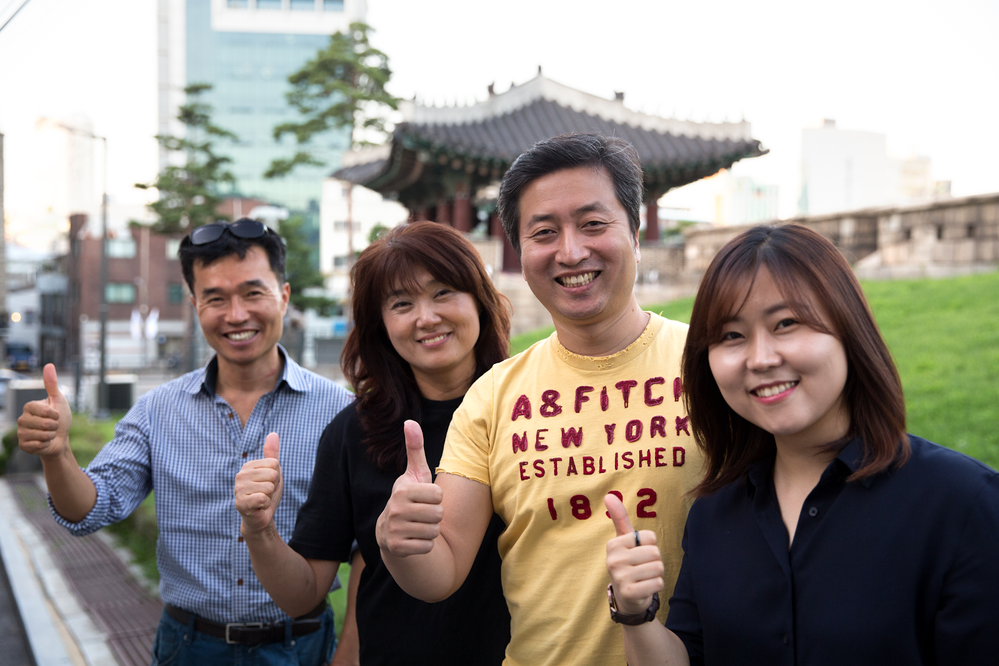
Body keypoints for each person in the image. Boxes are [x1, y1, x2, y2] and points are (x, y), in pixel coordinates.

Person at [375, 134, 703, 665]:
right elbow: (441, 571)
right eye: (544, 232)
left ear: (636, 235)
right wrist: (401, 542)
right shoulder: (493, 396)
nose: (571, 251)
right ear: (521, 253)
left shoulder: (709, 367)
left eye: (593, 224)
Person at [605, 224, 999, 665]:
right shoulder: (715, 514)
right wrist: (635, 612)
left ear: (848, 329)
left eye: (786, 324)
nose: (761, 358)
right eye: (732, 336)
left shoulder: (964, 504)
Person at [16, 218, 353, 666]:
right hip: (190, 646)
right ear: (195, 306)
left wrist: (349, 657)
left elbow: (370, 552)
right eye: (215, 298)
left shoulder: (340, 411)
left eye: (253, 293)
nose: (236, 315)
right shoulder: (159, 410)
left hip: (303, 646)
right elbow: (89, 509)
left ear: (284, 297)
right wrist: (57, 454)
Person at [234, 221, 512, 665]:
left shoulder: (533, 410)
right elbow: (302, 595)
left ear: (480, 299)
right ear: (380, 325)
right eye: (402, 303)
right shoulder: (355, 431)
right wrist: (259, 528)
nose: (426, 317)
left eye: (443, 292)